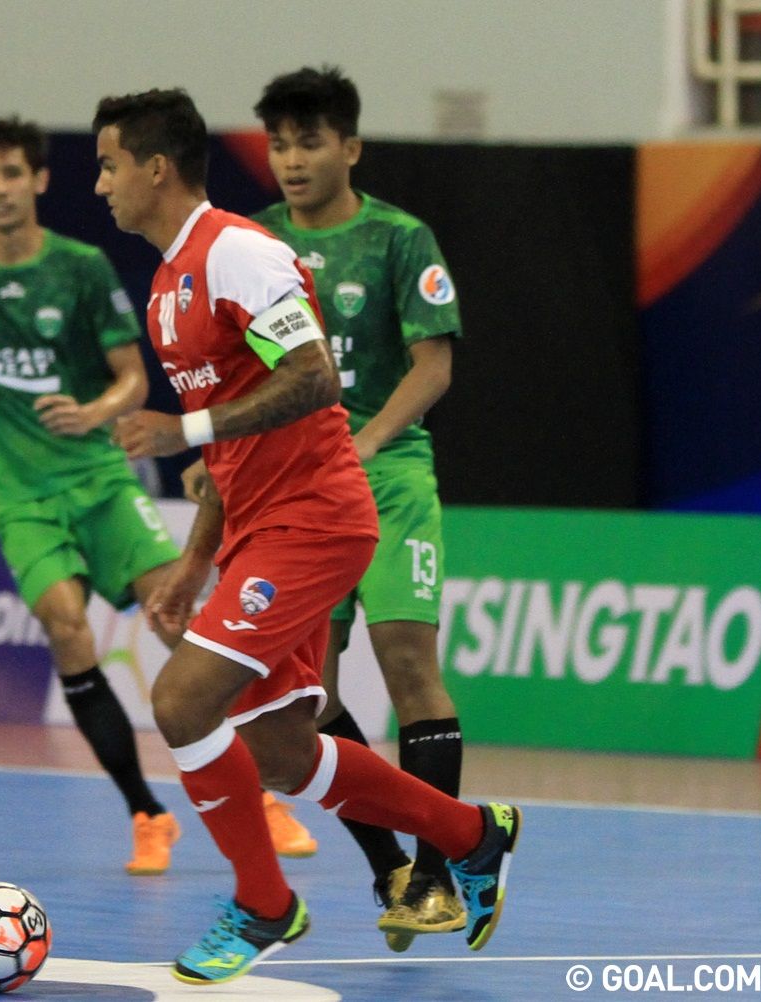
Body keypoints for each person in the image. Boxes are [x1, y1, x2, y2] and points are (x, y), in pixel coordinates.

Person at [94, 87, 520, 984]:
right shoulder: (170, 283)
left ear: (156, 168)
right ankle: (473, 835)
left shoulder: (238, 252)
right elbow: (235, 438)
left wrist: (183, 433)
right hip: (255, 526)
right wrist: (195, 559)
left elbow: (316, 376)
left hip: (317, 518)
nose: (101, 186)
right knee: (282, 751)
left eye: (108, 165)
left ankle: (263, 904)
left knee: (178, 703)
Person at [0, 116, 316, 877]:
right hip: (17, 493)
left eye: (12, 174)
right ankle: (146, 813)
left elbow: (130, 375)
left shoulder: (81, 266)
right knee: (65, 627)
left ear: (37, 182)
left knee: (174, 614)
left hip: (97, 478)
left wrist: (96, 411)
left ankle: (261, 792)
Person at [199, 64, 465, 952]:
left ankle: (438, 876)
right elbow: (235, 371)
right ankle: (389, 867)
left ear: (348, 147)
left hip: (384, 475)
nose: (290, 159)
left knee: (403, 660)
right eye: (276, 143)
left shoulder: (398, 238)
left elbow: (434, 364)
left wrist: (371, 439)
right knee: (299, 696)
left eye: (309, 141)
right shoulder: (250, 240)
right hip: (289, 487)